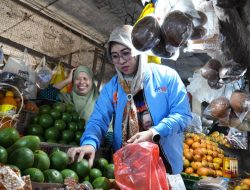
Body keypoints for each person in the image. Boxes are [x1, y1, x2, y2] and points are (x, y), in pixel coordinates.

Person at [67, 25, 192, 174]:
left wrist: (154, 132)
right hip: (127, 168)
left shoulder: (167, 77)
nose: (121, 61)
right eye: (115, 56)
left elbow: (183, 115)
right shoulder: (112, 87)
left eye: (126, 53)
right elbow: (98, 120)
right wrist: (89, 143)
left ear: (139, 51)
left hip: (164, 166)